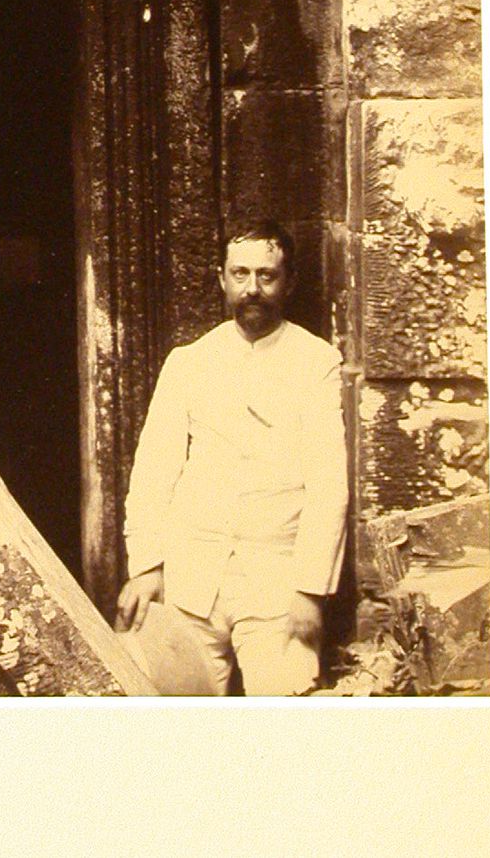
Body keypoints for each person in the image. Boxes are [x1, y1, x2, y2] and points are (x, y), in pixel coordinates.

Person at [114, 221, 348, 697]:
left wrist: (311, 589)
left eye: (267, 275)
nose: (252, 289)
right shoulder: (188, 362)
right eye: (240, 274)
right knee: (181, 726)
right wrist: (145, 566)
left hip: (277, 585)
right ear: (222, 279)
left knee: (284, 720)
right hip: (191, 579)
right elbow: (154, 473)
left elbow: (329, 486)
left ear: (289, 282)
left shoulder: (315, 362)